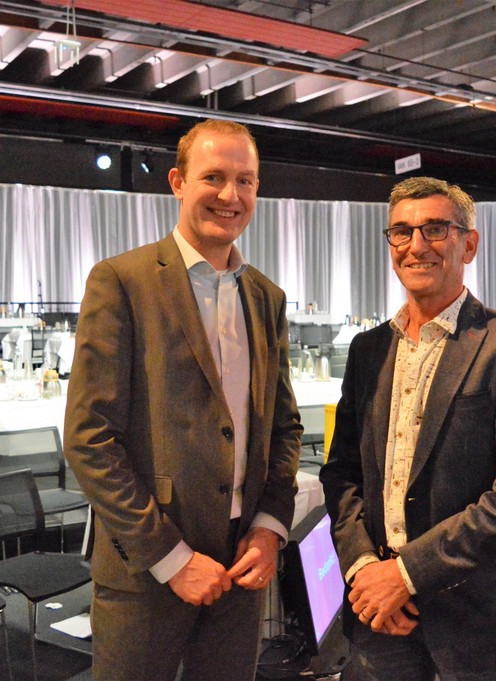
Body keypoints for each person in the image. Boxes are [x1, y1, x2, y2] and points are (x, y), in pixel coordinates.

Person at [63, 119, 302, 681]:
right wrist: (172, 559)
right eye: (213, 177)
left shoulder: (266, 296)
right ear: (177, 182)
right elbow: (89, 438)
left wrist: (270, 526)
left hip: (243, 564)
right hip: (147, 566)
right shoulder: (122, 281)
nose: (230, 195)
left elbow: (284, 428)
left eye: (245, 181)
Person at [319, 177, 496, 681]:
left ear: (469, 244)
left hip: (474, 613)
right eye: (401, 232)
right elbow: (342, 474)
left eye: (435, 229)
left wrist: (406, 574)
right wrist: (364, 567)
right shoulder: (368, 350)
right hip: (379, 612)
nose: (416, 245)